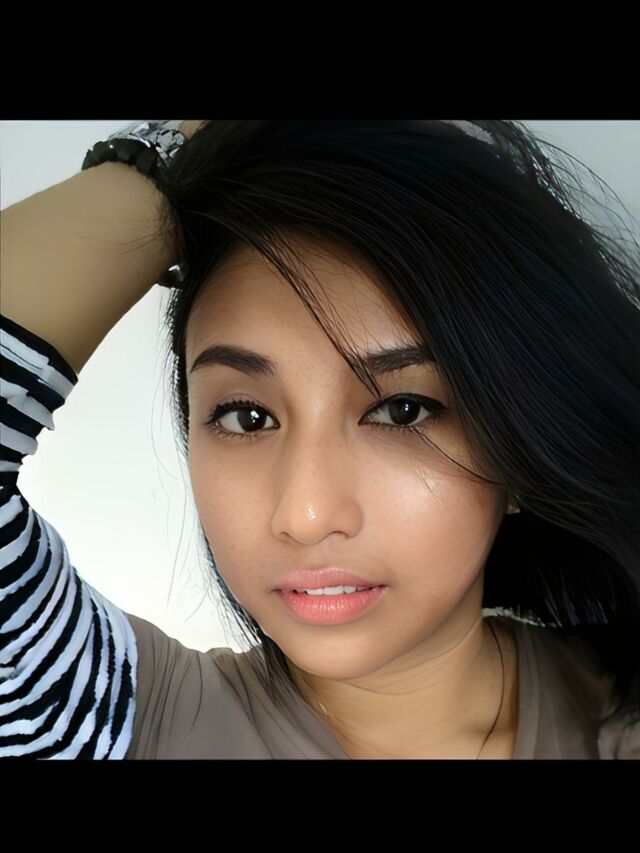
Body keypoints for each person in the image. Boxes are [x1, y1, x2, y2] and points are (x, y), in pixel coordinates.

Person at [1, 119, 639, 759]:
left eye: (402, 411)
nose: (305, 515)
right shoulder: (119, 725)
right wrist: (183, 151)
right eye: (247, 417)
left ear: (521, 447)